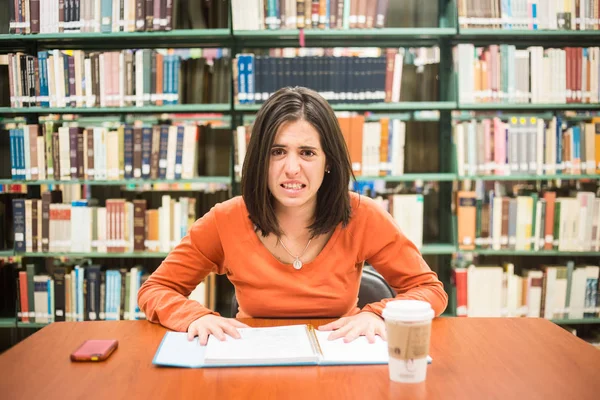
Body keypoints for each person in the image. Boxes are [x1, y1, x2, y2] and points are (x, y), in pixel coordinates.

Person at [138, 86, 448, 345]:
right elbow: (156, 289)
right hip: (252, 363)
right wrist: (196, 316)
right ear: (261, 159)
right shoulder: (225, 220)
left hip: (342, 359)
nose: (291, 168)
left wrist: (376, 313)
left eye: (307, 153)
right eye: (277, 152)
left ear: (328, 162)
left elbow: (430, 290)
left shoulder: (363, 216)